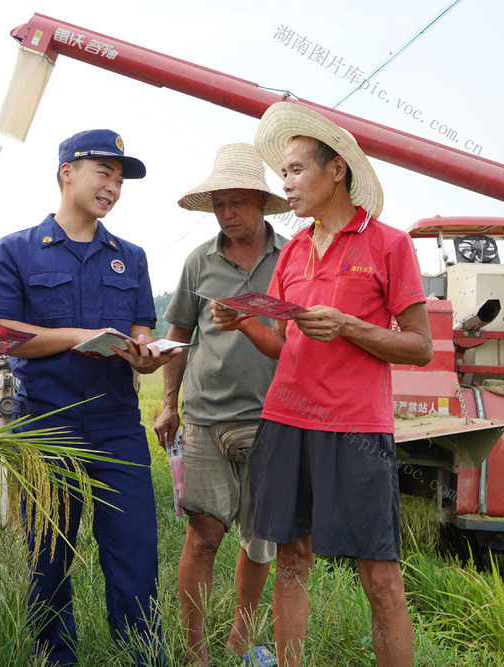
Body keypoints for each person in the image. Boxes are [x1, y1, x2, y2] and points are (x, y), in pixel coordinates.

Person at [212, 102, 433, 667]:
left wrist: (352, 327)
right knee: (291, 559)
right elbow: (287, 345)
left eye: (295, 170)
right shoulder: (291, 249)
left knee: (380, 576)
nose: (285, 185)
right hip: (286, 422)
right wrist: (245, 323)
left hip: (355, 428)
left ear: (337, 171)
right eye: (282, 174)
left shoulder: (388, 244)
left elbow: (419, 345)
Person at [0, 129, 179, 667]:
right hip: (46, 423)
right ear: (67, 171)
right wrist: (72, 337)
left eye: (119, 180)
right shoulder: (17, 249)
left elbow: (141, 329)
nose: (112, 187)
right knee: (49, 557)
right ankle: (54, 657)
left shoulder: (130, 257)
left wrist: (145, 354)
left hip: (116, 425)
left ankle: (144, 656)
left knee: (134, 552)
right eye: (103, 173)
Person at [154, 143, 290, 667]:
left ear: (261, 202)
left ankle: (240, 638)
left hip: (275, 418)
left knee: (261, 540)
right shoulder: (199, 262)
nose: (227, 214)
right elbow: (179, 333)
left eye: (237, 203)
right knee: (205, 533)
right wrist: (169, 404)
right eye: (218, 205)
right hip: (207, 418)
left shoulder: (292, 259)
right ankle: (195, 654)